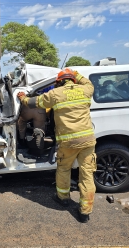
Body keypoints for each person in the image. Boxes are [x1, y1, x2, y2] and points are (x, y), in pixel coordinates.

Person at [17, 68, 97, 223]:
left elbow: (34, 103)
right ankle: (85, 213)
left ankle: (63, 198)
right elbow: (88, 82)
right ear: (73, 80)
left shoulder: (55, 94)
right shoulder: (87, 89)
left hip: (68, 142)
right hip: (87, 141)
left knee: (64, 169)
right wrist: (76, 74)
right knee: (87, 176)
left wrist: (22, 97)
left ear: (59, 82)